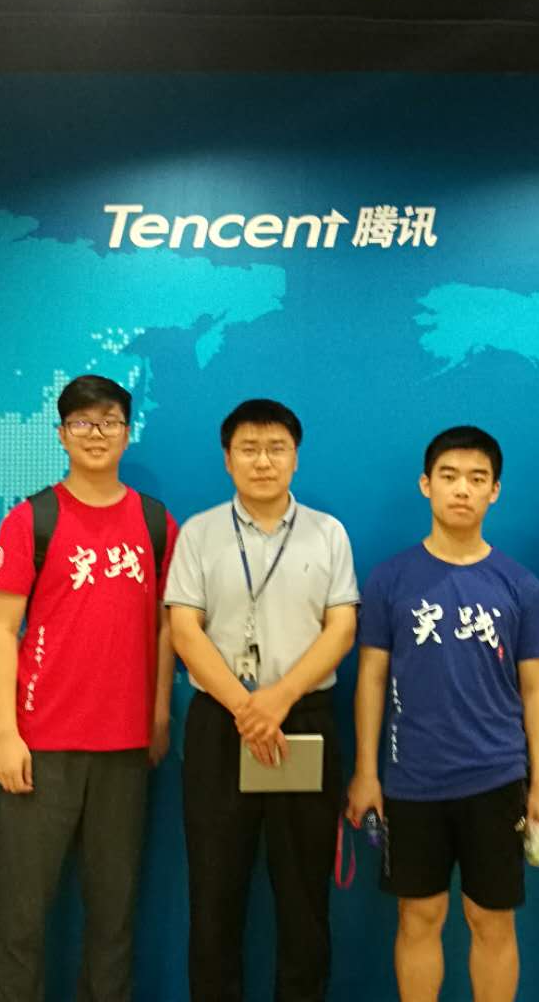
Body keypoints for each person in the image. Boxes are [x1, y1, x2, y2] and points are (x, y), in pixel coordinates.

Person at [347, 425, 539, 1002]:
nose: (462, 489)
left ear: (495, 491)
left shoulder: (520, 586)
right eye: (449, 476)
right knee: (419, 918)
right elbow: (371, 679)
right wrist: (366, 773)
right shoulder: (390, 579)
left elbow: (538, 691)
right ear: (426, 485)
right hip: (412, 781)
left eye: (476, 478)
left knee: (491, 921)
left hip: (497, 779)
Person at [0, 373, 178, 1002]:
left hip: (125, 747)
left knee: (114, 917)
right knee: (21, 916)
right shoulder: (32, 518)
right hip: (40, 747)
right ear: (62, 434)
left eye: (110, 421)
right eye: (83, 423)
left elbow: (169, 626)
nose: (97, 434)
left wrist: (159, 715)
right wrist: (6, 734)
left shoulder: (155, 521)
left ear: (128, 432)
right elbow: (2, 630)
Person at [165, 398, 358, 1002]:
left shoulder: (328, 533)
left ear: (296, 457)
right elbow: (184, 629)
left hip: (303, 721)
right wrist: (246, 708)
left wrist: (277, 700)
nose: (263, 461)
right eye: (248, 449)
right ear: (227, 459)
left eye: (277, 448)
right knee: (214, 891)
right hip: (221, 725)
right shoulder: (199, 533)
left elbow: (342, 628)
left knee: (304, 894)